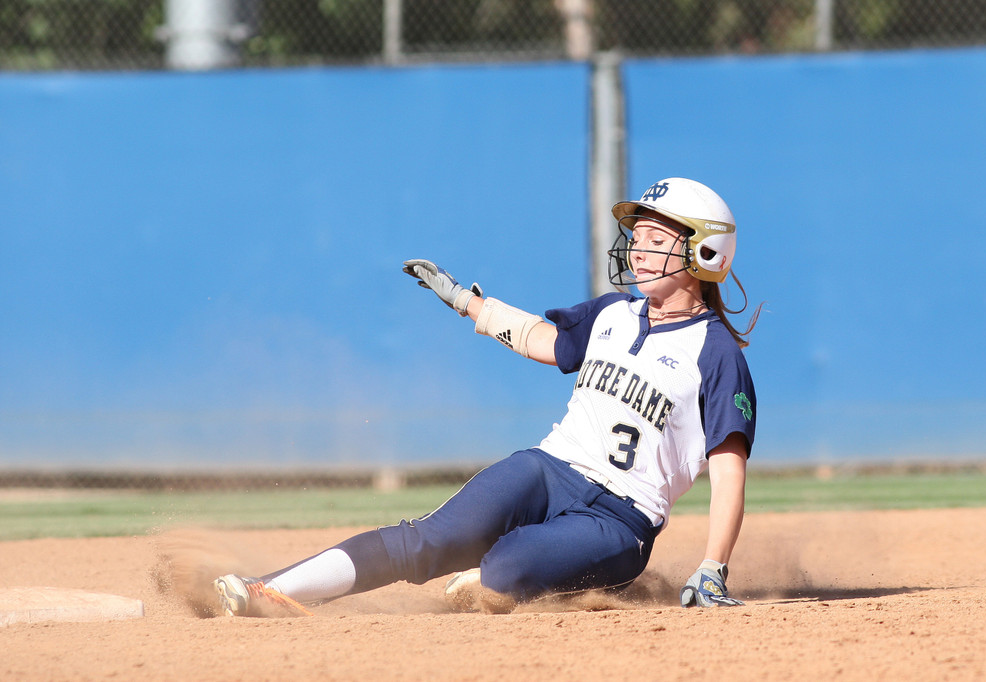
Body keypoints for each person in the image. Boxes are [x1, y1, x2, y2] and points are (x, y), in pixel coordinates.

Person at [213, 177, 760, 617]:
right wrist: (472, 306)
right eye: (637, 238)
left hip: (620, 521)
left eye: (657, 241)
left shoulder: (715, 354)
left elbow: (728, 472)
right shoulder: (612, 314)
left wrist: (714, 564)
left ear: (704, 252)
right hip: (550, 469)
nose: (639, 250)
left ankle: (531, 575)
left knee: (502, 571)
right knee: (430, 540)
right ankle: (267, 591)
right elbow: (548, 343)